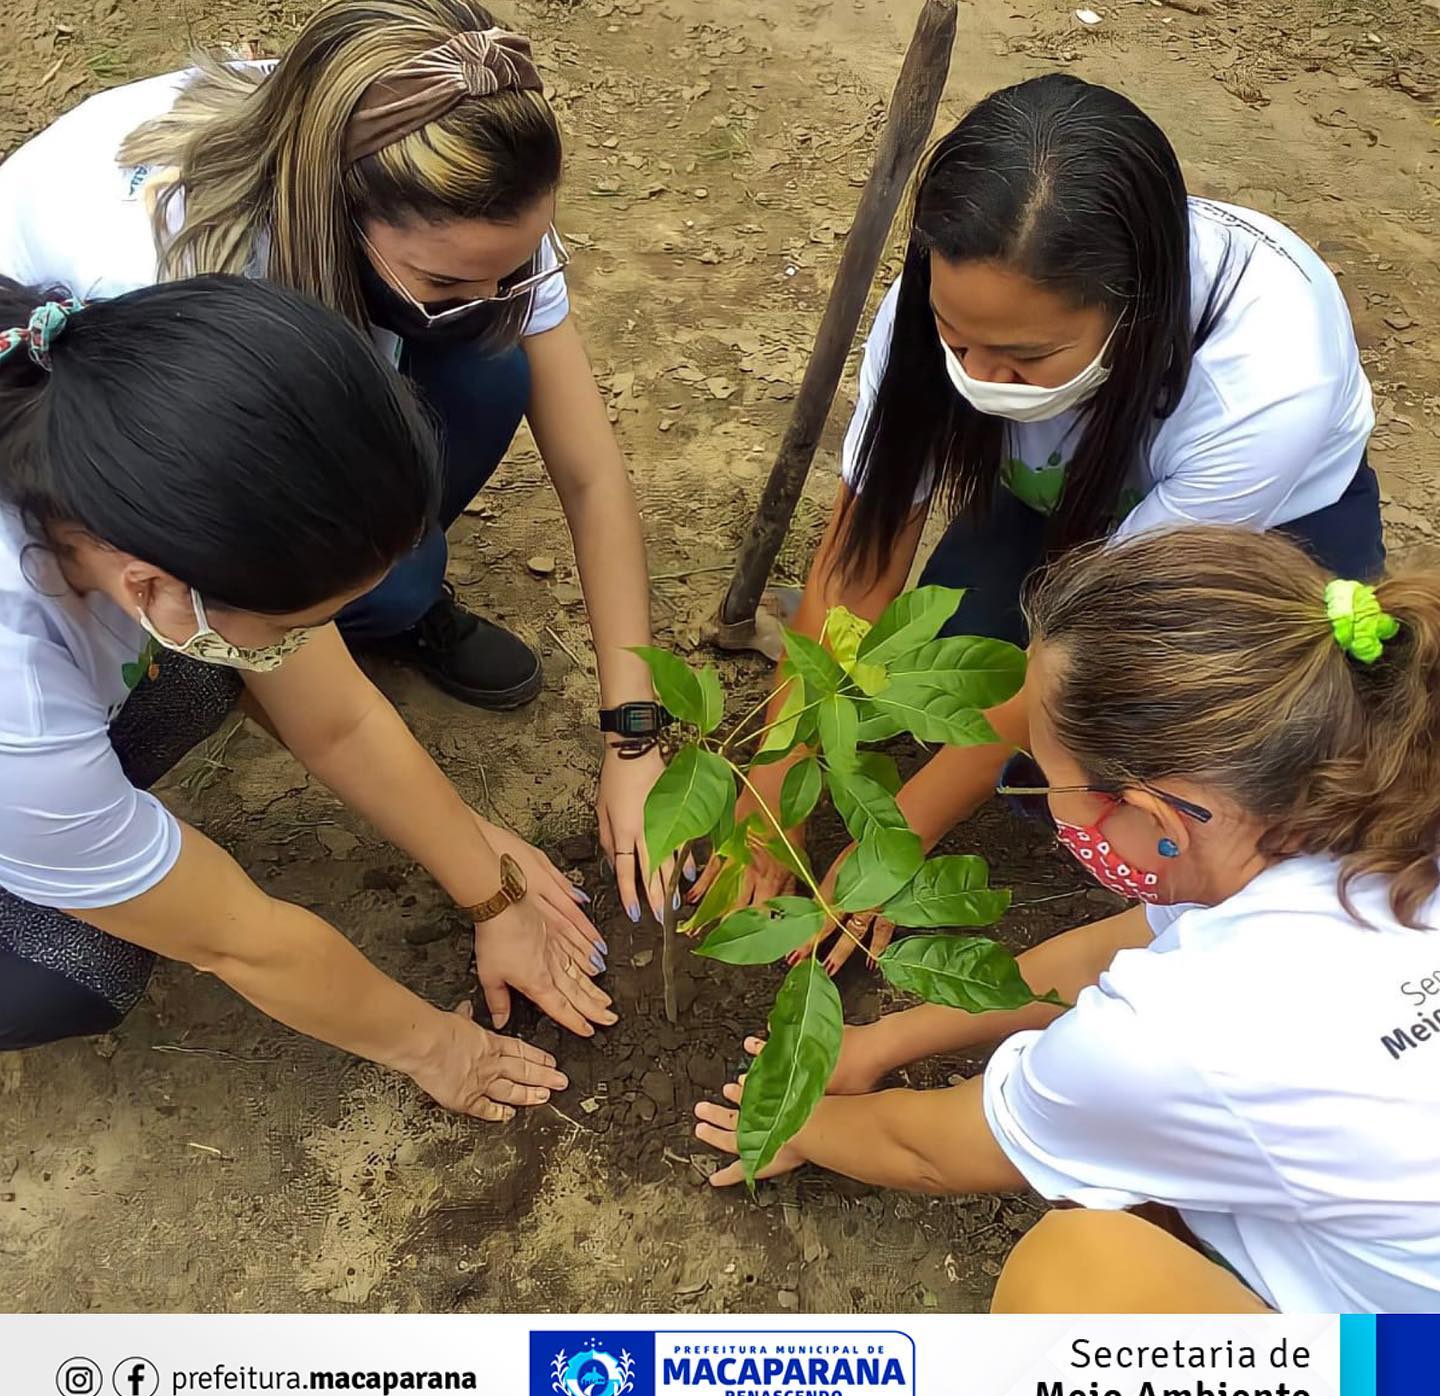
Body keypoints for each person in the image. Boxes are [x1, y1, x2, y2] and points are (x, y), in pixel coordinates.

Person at [0, 0, 679, 924]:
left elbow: (589, 469)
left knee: (490, 369)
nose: (488, 295)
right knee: (299, 620)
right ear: (334, 211)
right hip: (107, 421)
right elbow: (328, 716)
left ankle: (383, 601)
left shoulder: (452, 177)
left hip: (289, 329)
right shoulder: (184, 283)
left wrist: (633, 736)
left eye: (507, 272)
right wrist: (484, 875)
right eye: (446, 283)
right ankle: (349, 605)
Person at [694, 72, 1382, 963]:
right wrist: (771, 785)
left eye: (1024, 355)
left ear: (1133, 311)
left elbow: (1079, 658)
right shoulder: (940, 306)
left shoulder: (1263, 380)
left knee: (1136, 762)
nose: (977, 373)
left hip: (1254, 544)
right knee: (922, 689)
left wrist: (896, 839)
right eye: (956, 339)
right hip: (1047, 498)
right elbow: (862, 561)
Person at [694, 527, 1440, 1313]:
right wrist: (882, 1042)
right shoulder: (1371, 807)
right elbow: (1102, 953)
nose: (1051, 808)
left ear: (1159, 817)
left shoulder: (1176, 1035)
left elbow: (931, 1152)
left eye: (1050, 780)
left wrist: (794, 1123)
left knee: (1075, 1267)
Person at [0, 274, 618, 1115]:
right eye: (304, 618)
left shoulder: (133, 411)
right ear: (150, 585)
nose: (320, 638)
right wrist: (440, 1048)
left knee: (209, 670)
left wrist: (492, 889)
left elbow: (338, 718)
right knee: (75, 968)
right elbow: (241, 942)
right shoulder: (20, 707)